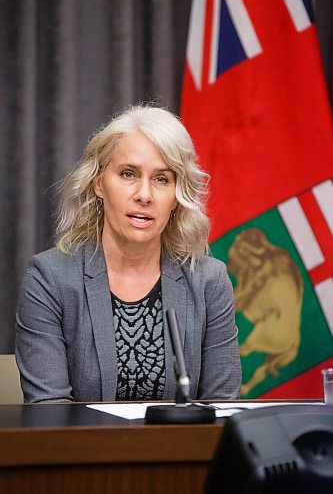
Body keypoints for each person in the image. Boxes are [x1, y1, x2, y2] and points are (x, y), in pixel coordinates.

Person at [15, 105, 241, 403]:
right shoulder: (50, 278)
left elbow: (222, 405)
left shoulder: (208, 280)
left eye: (162, 179)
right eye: (128, 174)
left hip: (186, 451)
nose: (144, 195)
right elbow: (49, 410)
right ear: (98, 183)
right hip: (82, 450)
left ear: (177, 195)